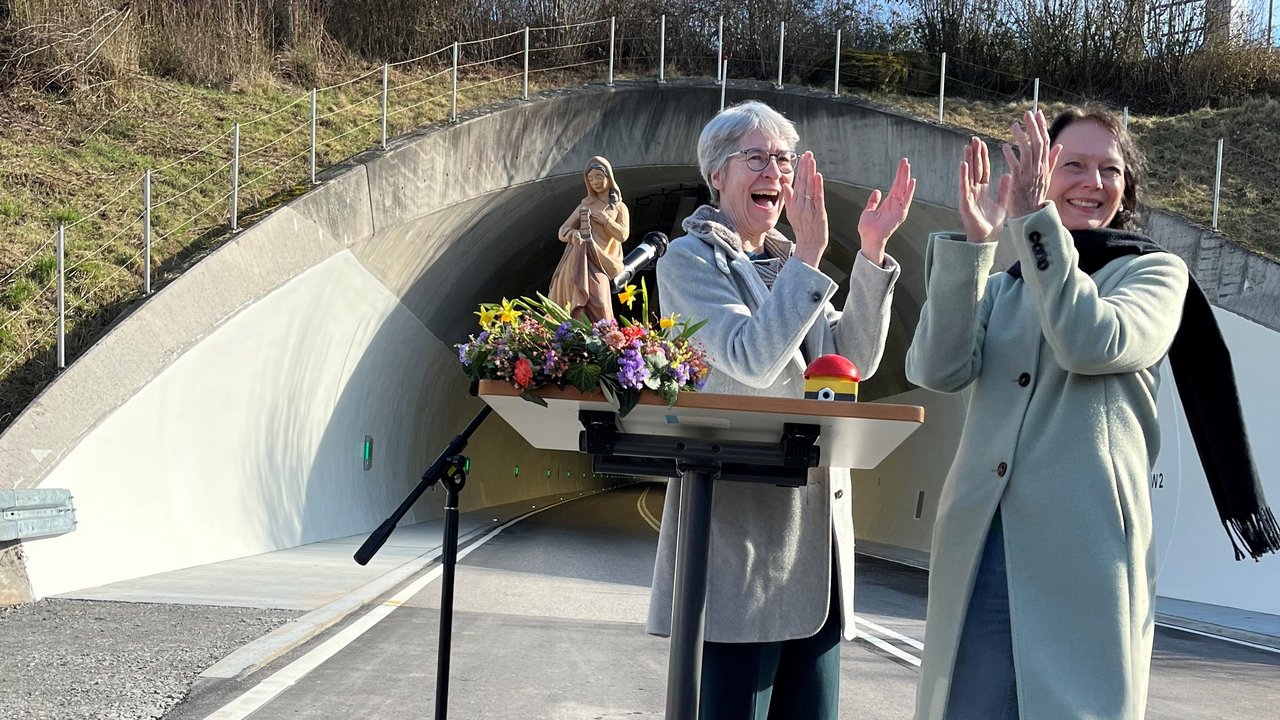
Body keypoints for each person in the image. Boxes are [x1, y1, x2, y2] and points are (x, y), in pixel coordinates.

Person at [904, 105, 1280, 719]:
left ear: (1126, 187)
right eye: (1071, 164)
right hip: (982, 546)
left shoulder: (1155, 274)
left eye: (1109, 170)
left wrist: (1034, 228)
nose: (1092, 181)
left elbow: (1090, 340)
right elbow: (937, 369)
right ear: (1041, 175)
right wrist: (976, 247)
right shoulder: (1007, 283)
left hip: (1086, 552)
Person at [650, 99, 916, 719]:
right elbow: (750, 359)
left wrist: (872, 255)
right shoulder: (690, 263)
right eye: (757, 157)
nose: (776, 170)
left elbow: (852, 361)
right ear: (718, 174)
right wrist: (807, 259)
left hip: (815, 540)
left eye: (784, 159)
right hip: (740, 544)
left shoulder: (785, 262)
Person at [548, 155, 630, 322]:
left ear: (609, 177)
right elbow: (562, 231)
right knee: (575, 301)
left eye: (599, 177)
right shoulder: (585, 205)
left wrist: (606, 221)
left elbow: (622, 235)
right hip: (579, 259)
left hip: (601, 260)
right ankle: (571, 339)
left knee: (600, 301)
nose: (595, 182)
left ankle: (606, 339)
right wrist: (573, 234)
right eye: (590, 178)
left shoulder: (619, 207)